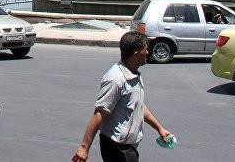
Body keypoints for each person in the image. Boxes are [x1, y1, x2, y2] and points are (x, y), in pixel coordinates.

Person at [73, 32, 172, 162]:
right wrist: (84, 148)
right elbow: (99, 114)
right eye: (145, 50)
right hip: (117, 147)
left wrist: (160, 128)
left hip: (127, 147)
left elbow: (138, 105)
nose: (148, 52)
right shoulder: (115, 79)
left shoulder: (134, 74)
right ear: (136, 54)